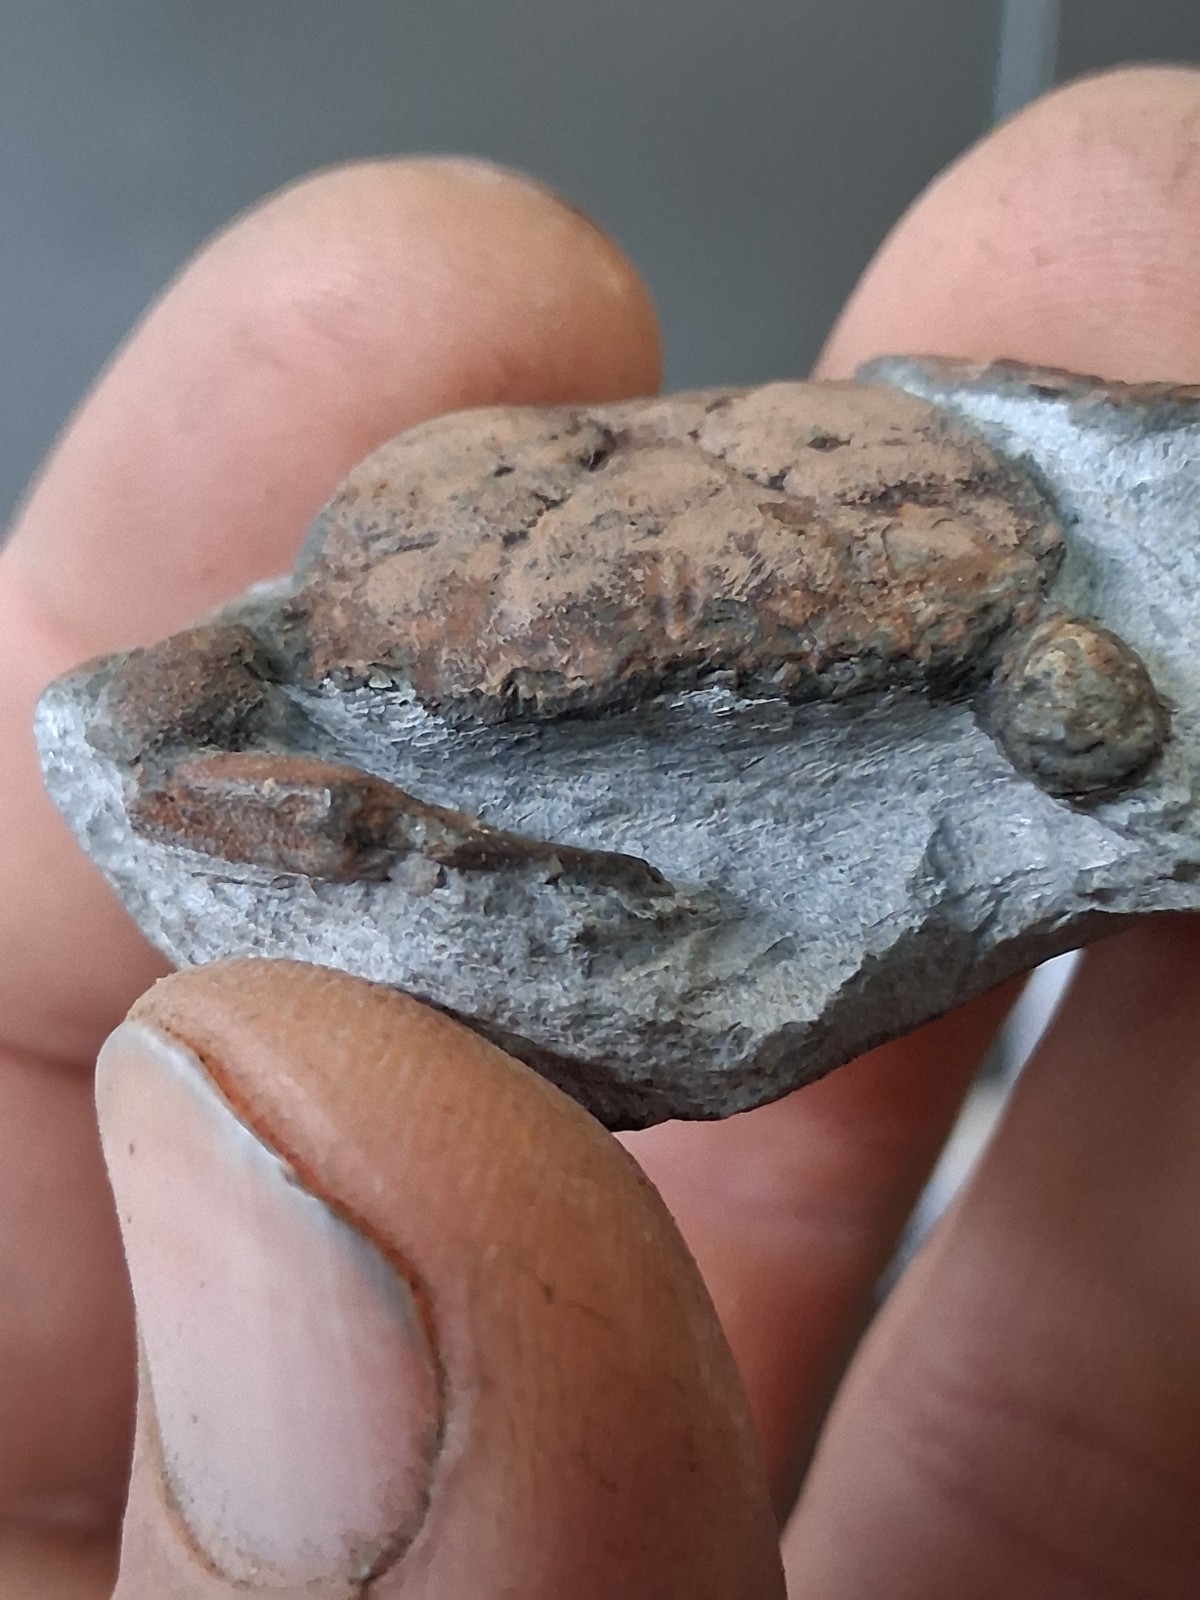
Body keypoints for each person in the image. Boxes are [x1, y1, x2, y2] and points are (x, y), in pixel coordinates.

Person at [1, 64, 1198, 1599]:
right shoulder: (327, 637)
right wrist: (412, 843)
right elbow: (130, 738)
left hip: (933, 581)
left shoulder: (1004, 568)